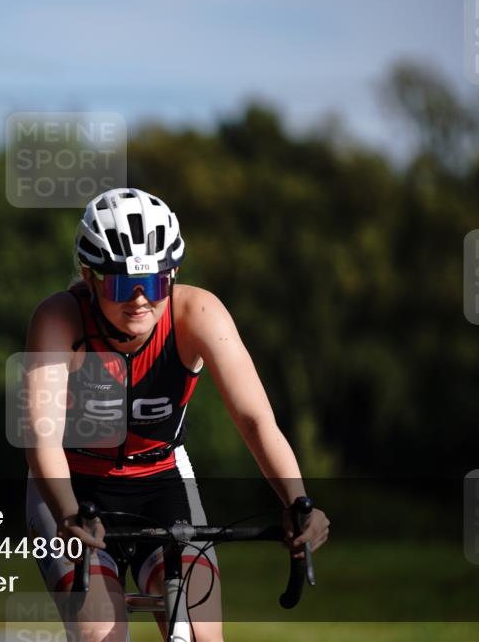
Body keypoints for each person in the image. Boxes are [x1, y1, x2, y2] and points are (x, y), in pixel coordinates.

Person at [24, 188, 330, 642]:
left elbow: (256, 422)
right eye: (124, 284)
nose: (142, 299)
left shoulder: (199, 313)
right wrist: (68, 512)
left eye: (156, 281)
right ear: (89, 277)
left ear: (174, 274)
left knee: (202, 637)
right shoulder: (59, 319)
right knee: (100, 634)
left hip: (162, 482)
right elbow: (40, 438)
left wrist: (298, 503)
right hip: (72, 486)